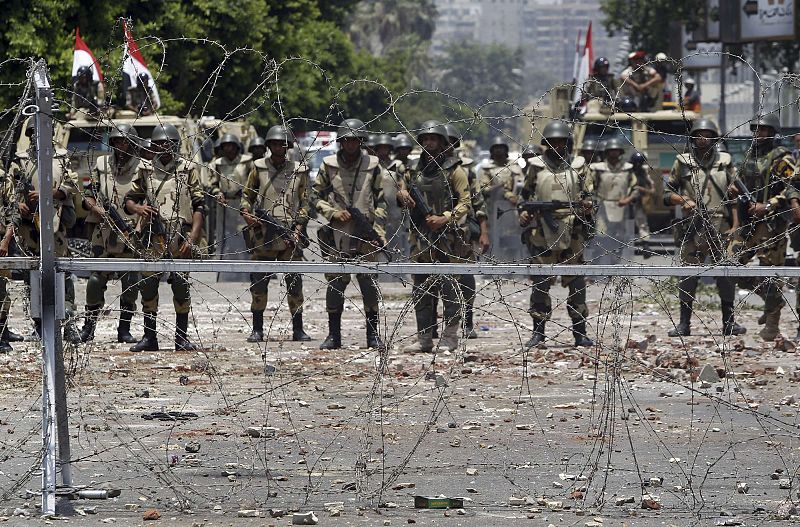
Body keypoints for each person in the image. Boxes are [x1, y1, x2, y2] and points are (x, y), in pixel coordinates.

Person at [124, 124, 206, 352]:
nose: (163, 148)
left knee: (181, 286)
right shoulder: (145, 169)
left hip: (181, 235)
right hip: (153, 236)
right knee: (148, 286)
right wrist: (138, 209)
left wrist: (194, 236)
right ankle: (150, 337)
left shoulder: (187, 169)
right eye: (159, 144)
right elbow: (129, 199)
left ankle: (181, 337)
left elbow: (199, 205)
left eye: (167, 143)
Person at [664, 119, 745, 337]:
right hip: (693, 226)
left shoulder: (725, 162)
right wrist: (682, 200)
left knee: (726, 275)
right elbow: (666, 194)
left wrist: (736, 225)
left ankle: (729, 322)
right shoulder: (683, 162)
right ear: (693, 138)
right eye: (699, 134)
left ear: (715, 139)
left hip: (721, 224)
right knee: (689, 276)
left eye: (708, 134)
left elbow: (734, 197)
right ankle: (684, 324)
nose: (703, 139)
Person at [397, 120, 472, 353]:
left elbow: (465, 202)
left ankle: (450, 337)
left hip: (448, 238)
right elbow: (402, 189)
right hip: (420, 237)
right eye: (426, 139)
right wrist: (402, 195)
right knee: (421, 288)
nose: (429, 143)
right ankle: (424, 338)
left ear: (441, 142)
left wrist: (445, 217)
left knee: (450, 288)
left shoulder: (455, 169)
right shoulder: (413, 170)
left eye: (434, 139)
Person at [312, 118, 387, 350]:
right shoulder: (328, 165)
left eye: (355, 140)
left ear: (361, 142)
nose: (351, 145)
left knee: (369, 284)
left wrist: (379, 232)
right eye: (347, 140)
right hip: (338, 232)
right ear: (341, 142)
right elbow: (315, 197)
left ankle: (373, 336)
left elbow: (381, 200)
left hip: (366, 233)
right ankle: (334, 335)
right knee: (336, 283)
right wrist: (332, 213)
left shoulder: (373, 166)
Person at [518, 121, 594, 348]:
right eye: (553, 142)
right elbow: (525, 196)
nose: (557, 145)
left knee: (576, 282)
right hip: (542, 230)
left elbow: (588, 194)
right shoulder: (536, 166)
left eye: (561, 141)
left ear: (568, 143)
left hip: (573, 230)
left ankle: (579, 333)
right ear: (546, 144)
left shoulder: (579, 166)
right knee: (541, 283)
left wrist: (587, 205)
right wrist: (524, 214)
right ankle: (538, 333)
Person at [8, 120, 81, 343]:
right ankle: (39, 324)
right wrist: (17, 203)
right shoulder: (20, 160)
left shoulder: (61, 157)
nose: (36, 138)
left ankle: (67, 323)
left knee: (62, 274)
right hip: (30, 227)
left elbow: (72, 185)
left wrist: (50, 193)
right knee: (33, 276)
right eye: (33, 133)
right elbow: (10, 188)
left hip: (55, 224)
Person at [729, 113, 799, 341]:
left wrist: (768, 205)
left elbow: (792, 188)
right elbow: (739, 180)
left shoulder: (782, 158)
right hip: (749, 224)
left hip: (772, 226)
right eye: (756, 130)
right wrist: (734, 190)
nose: (759, 134)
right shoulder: (751, 155)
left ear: (772, 133)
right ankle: (767, 300)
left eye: (764, 130)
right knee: (730, 264)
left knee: (772, 274)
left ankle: (771, 324)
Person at [241, 125, 312, 343]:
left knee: (294, 284)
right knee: (259, 284)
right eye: (274, 143)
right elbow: (247, 196)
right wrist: (246, 213)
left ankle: (298, 329)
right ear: (268, 145)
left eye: (283, 143)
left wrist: (299, 229)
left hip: (289, 235)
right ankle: (257, 329)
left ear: (288, 146)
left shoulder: (299, 170)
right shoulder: (259, 167)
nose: (279, 147)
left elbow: (306, 202)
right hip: (263, 235)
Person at [78, 123, 142, 343]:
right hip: (103, 230)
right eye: (116, 141)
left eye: (124, 141)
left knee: (131, 280)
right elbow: (88, 193)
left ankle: (124, 329)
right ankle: (89, 326)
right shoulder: (101, 163)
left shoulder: (143, 167)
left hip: (131, 231)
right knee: (96, 279)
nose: (120, 145)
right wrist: (94, 207)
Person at [446, 123, 489, 339]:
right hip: (434, 231)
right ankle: (436, 327)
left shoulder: (466, 171)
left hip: (461, 230)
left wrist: (483, 232)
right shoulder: (426, 169)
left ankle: (468, 321)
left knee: (464, 276)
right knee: (434, 278)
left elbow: (478, 204)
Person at [208, 133, 253, 277]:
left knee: (244, 234)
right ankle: (227, 270)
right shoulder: (218, 164)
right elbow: (213, 184)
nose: (229, 149)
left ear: (237, 147)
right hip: (225, 205)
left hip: (242, 202)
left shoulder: (247, 162)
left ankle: (246, 269)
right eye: (226, 146)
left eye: (231, 146)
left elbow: (253, 181)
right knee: (226, 235)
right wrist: (217, 193)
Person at [590, 137, 637, 264]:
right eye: (611, 150)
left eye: (616, 150)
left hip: (622, 206)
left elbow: (635, 188)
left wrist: (628, 199)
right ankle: (597, 263)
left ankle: (615, 263)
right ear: (607, 152)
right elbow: (590, 186)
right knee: (601, 235)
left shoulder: (627, 168)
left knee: (620, 237)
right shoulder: (598, 169)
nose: (614, 153)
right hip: (602, 206)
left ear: (621, 152)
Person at [629, 151, 654, 251]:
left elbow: (652, 189)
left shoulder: (644, 173)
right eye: (636, 163)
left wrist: (641, 189)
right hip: (626, 202)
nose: (638, 165)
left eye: (640, 163)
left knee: (642, 223)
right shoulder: (627, 171)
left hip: (639, 202)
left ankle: (645, 244)